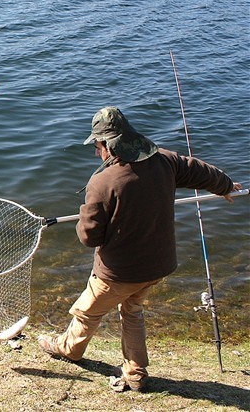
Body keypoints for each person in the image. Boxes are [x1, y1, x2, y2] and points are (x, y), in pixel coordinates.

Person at [37, 106, 242, 392]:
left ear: (109, 145)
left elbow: (89, 237)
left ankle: (68, 349)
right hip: (158, 266)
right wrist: (224, 185)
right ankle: (135, 372)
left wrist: (86, 215)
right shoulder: (165, 162)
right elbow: (197, 170)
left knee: (86, 312)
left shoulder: (102, 182)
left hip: (117, 273)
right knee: (131, 310)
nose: (97, 152)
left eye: (97, 146)